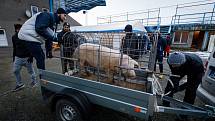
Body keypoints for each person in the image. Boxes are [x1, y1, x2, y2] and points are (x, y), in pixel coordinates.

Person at [12, 24, 37, 91]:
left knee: (31, 72)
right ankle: (20, 84)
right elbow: (14, 48)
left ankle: (34, 82)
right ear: (16, 30)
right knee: (15, 71)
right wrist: (14, 57)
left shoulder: (27, 36)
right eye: (17, 29)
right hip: (18, 58)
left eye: (20, 28)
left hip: (27, 58)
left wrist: (31, 56)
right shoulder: (14, 37)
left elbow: (32, 47)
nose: (19, 30)